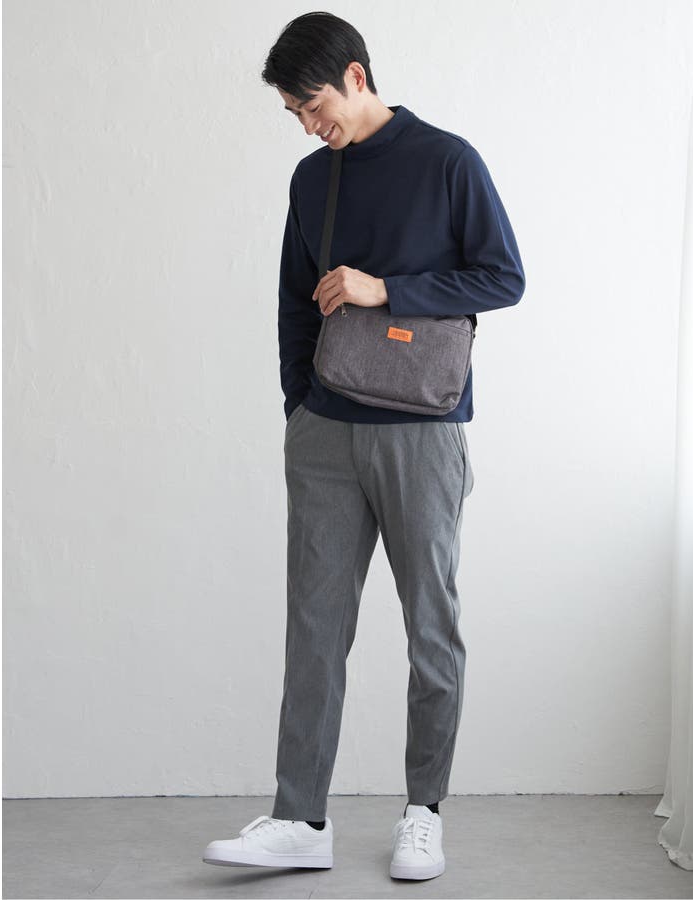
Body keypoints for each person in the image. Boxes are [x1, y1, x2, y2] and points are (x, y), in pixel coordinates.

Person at [203, 11, 524, 882]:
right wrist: (298, 407)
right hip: (326, 432)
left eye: (313, 106)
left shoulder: (448, 161)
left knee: (431, 627)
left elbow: (503, 277)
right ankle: (299, 818)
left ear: (355, 75)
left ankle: (423, 813)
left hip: (423, 431)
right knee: (313, 628)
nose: (309, 126)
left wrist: (388, 289)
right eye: (294, 115)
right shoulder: (315, 179)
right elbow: (292, 300)